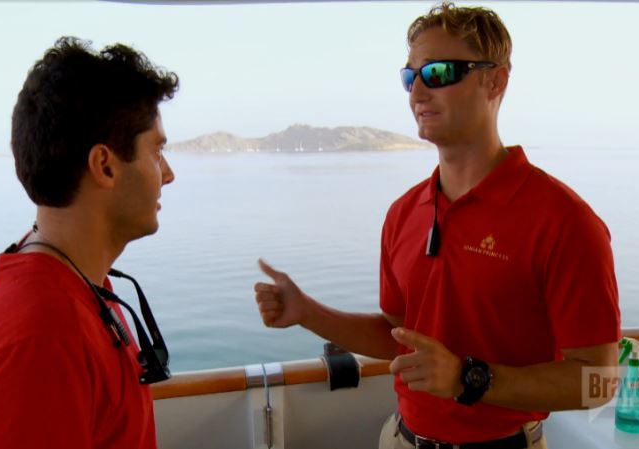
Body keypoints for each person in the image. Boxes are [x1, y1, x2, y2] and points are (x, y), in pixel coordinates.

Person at [253, 3, 620, 449]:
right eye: (410, 77)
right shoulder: (404, 212)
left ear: (495, 80)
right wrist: (308, 313)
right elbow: (398, 335)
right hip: (401, 439)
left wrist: (469, 378)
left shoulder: (564, 222)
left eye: (439, 72)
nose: (418, 92)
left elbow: (600, 383)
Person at [0, 37, 178, 449]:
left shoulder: (71, 285)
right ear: (104, 166)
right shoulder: (41, 342)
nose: (169, 174)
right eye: (157, 152)